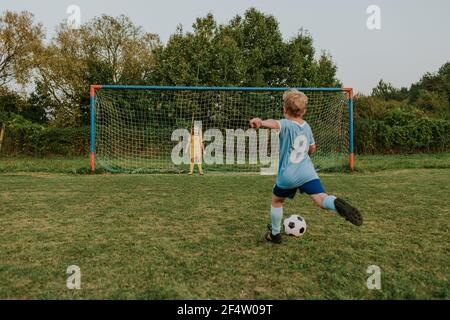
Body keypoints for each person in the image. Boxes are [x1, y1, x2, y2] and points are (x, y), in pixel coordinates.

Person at [249, 89, 363, 244]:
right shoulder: (306, 126)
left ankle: (275, 234)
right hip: (307, 172)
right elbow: (312, 148)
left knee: (277, 201)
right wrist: (305, 155)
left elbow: (274, 123)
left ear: (284, 110)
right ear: (303, 111)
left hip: (288, 174)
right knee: (322, 199)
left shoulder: (285, 124)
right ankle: (335, 203)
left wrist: (260, 122)